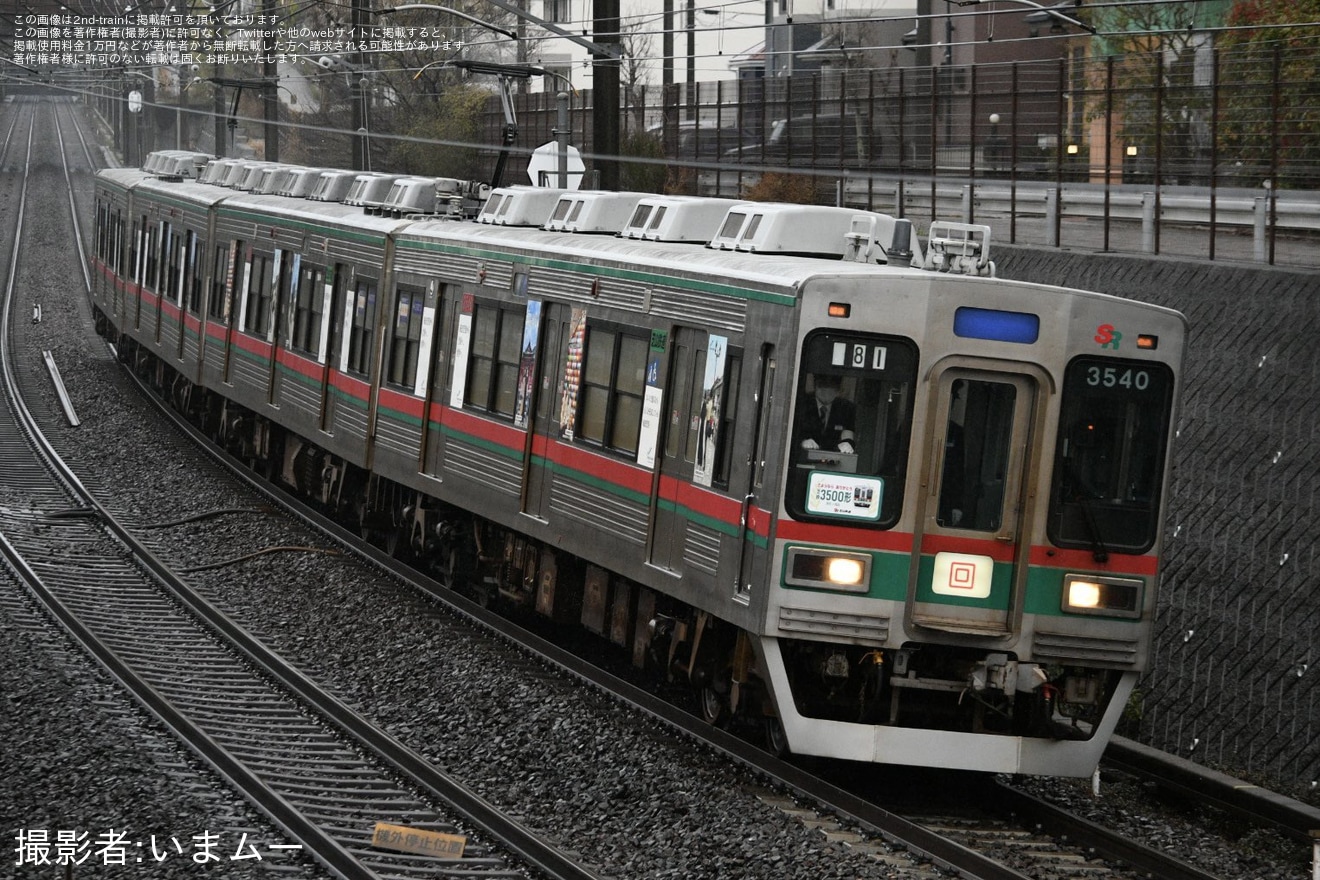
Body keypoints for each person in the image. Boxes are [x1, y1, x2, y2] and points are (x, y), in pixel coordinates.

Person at [796, 373, 856, 455]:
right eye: (823, 385)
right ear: (816, 386)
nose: (827, 389)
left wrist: (847, 443)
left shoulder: (846, 408)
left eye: (832, 386)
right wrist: (802, 442)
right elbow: (791, 434)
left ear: (838, 389)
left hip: (832, 460)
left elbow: (848, 434)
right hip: (803, 457)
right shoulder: (802, 403)